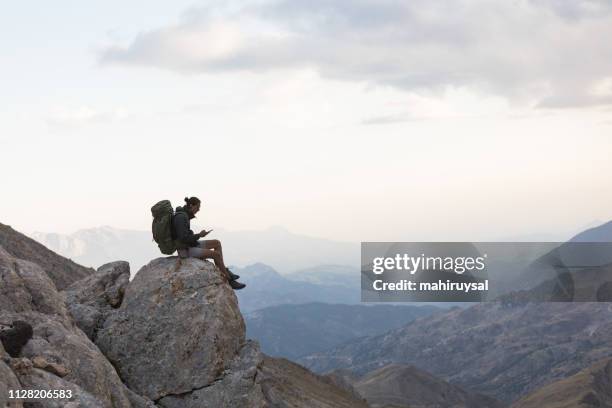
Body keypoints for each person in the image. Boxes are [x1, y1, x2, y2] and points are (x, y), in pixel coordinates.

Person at [173, 196, 246, 290]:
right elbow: (183, 238)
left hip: (190, 244)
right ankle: (229, 280)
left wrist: (198, 236)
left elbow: (185, 236)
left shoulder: (185, 215)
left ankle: (223, 269)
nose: (198, 210)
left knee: (217, 243)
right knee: (215, 255)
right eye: (197, 207)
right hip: (185, 250)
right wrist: (199, 235)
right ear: (191, 205)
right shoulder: (181, 217)